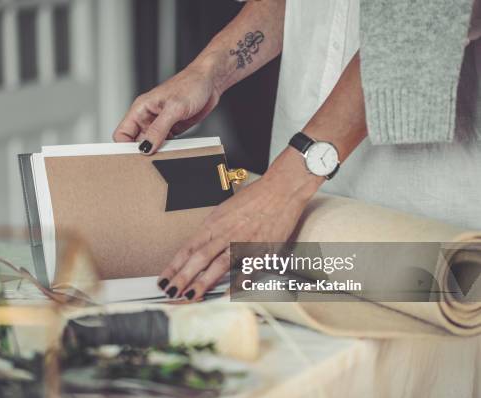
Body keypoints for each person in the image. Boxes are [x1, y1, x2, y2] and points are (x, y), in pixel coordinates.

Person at [113, 0, 481, 300]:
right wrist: (209, 72)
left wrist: (285, 185)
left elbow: (419, 17)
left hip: (426, 197)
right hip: (300, 191)